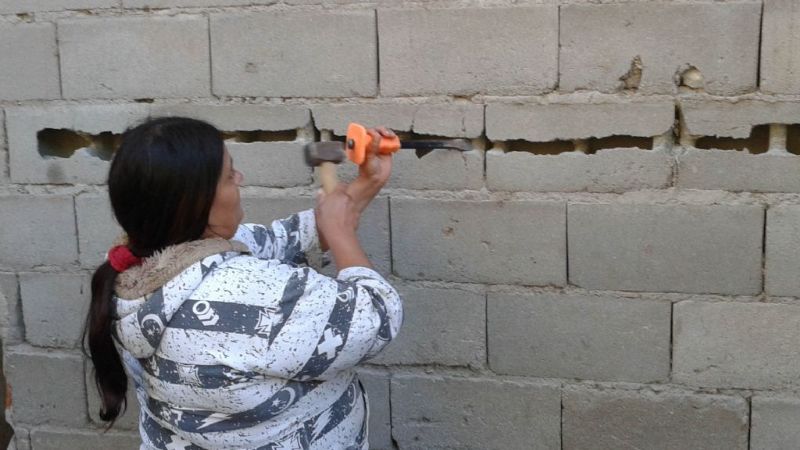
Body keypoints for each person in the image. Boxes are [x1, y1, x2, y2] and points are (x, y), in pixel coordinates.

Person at [83, 117, 402, 450]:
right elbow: (376, 315)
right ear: (197, 204)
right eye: (229, 175)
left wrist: (366, 184)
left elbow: (284, 240)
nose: (240, 178)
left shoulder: (137, 266)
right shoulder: (244, 295)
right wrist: (341, 233)